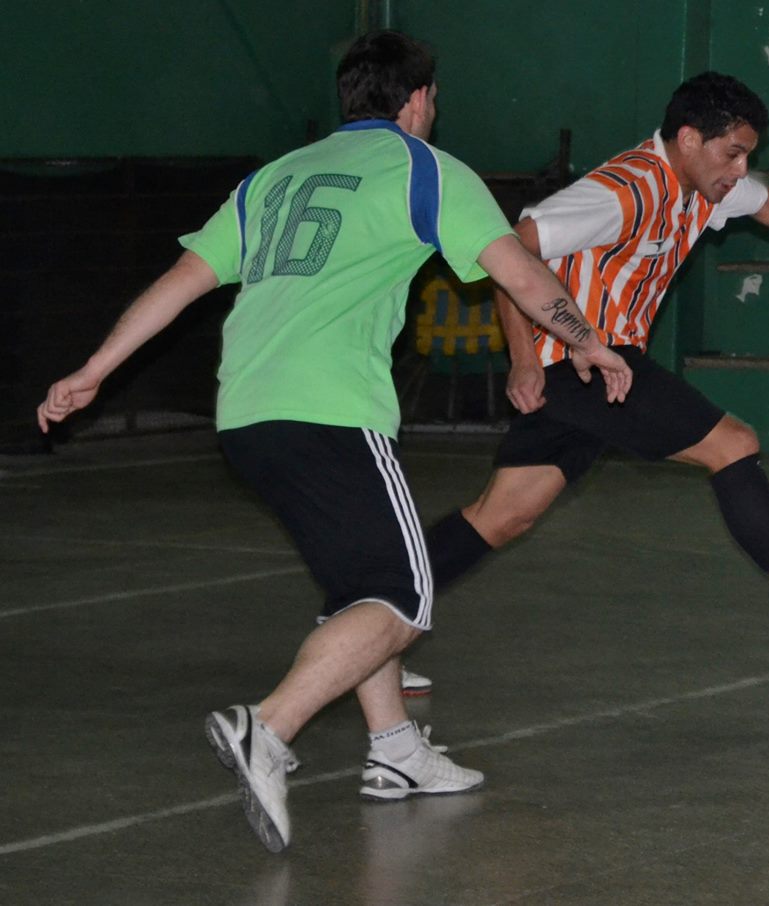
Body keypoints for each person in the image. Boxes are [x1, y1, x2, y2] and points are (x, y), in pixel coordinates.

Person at [36, 30, 632, 853]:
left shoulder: (272, 178)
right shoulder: (427, 170)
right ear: (417, 100)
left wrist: (94, 370)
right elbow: (521, 275)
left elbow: (181, 283)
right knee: (404, 595)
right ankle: (270, 727)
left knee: (359, 586)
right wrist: (589, 341)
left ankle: (396, 751)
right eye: (433, 97)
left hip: (247, 414)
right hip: (332, 411)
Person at [426, 71, 769, 660]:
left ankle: (368, 609)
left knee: (501, 517)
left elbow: (767, 204)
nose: (741, 168)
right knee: (732, 444)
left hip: (592, 374)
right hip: (583, 365)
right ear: (688, 139)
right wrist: (524, 357)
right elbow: (509, 247)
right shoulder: (623, 191)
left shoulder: (705, 185)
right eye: (733, 153)